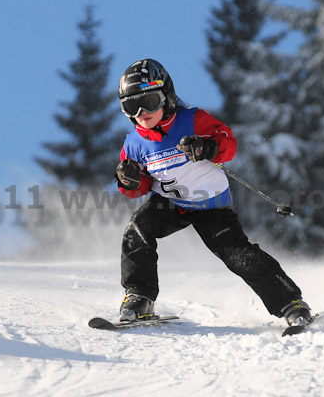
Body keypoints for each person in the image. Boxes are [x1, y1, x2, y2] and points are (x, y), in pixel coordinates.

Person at [114, 58, 312, 327]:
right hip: (170, 204)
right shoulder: (135, 143)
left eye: (148, 102)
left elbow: (228, 143)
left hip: (210, 207)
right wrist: (130, 181)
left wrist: (208, 147)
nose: (141, 112)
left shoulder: (193, 120)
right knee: (137, 229)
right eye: (130, 106)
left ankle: (290, 303)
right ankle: (139, 297)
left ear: (166, 97)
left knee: (238, 255)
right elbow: (139, 187)